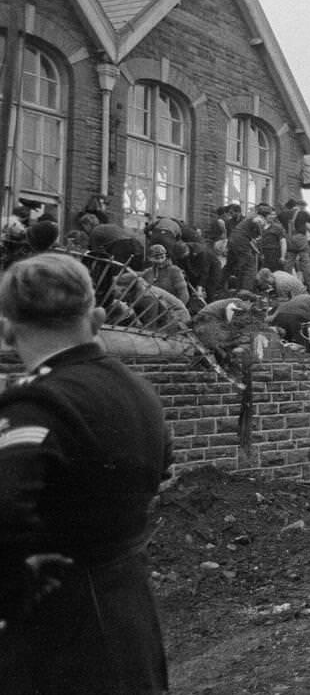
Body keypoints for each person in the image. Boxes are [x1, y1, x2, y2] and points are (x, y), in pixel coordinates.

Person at [0, 254, 171, 693]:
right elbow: (162, 468)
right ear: (95, 317)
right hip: (130, 605)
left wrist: (17, 584)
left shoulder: (42, 404)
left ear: (7, 328)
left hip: (61, 626)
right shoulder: (137, 389)